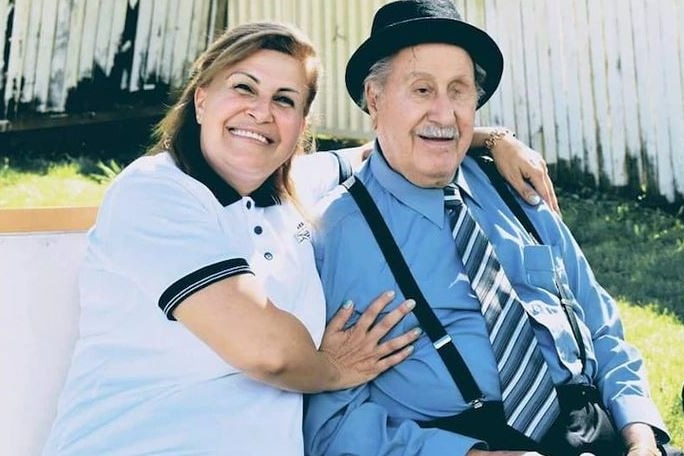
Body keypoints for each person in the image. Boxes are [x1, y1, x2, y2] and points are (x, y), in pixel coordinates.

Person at [41, 20, 556, 455]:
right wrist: (333, 368)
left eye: (284, 100)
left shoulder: (290, 193)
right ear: (201, 99)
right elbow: (267, 350)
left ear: (299, 127)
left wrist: (490, 139)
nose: (261, 113)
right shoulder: (156, 191)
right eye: (243, 88)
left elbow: (386, 149)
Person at [304, 1, 678, 456]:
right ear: (375, 99)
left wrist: (640, 434)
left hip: (596, 430)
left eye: (459, 91)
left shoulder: (513, 188)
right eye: (422, 90)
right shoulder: (334, 233)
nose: (445, 114)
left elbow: (602, 328)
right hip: (462, 442)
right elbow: (330, 425)